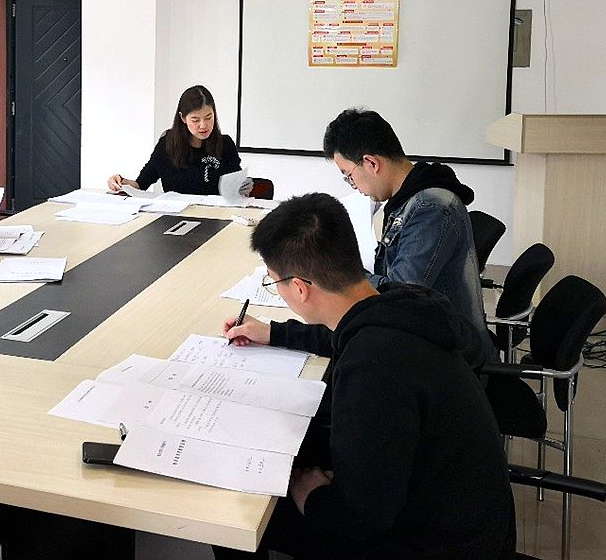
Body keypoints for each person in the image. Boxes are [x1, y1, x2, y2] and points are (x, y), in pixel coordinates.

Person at [216, 194, 514, 559]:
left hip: (438, 545)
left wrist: (311, 495)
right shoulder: (398, 304)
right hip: (466, 516)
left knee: (236, 512)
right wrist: (275, 332)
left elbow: (359, 520)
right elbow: (343, 331)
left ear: (299, 288)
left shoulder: (372, 368)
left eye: (273, 281)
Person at [227, 107, 491, 368]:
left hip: (449, 362)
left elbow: (392, 301)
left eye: (349, 177)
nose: (354, 187)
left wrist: (335, 273)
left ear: (371, 163)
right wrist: (274, 332)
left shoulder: (431, 209)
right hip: (420, 343)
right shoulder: (407, 200)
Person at [107, 85, 245, 196]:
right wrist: (121, 183)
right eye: (195, 120)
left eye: (208, 117)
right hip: (175, 216)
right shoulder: (167, 145)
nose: (203, 125)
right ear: (183, 118)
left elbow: (236, 188)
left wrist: (244, 188)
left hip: (216, 215)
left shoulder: (225, 145)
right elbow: (140, 184)